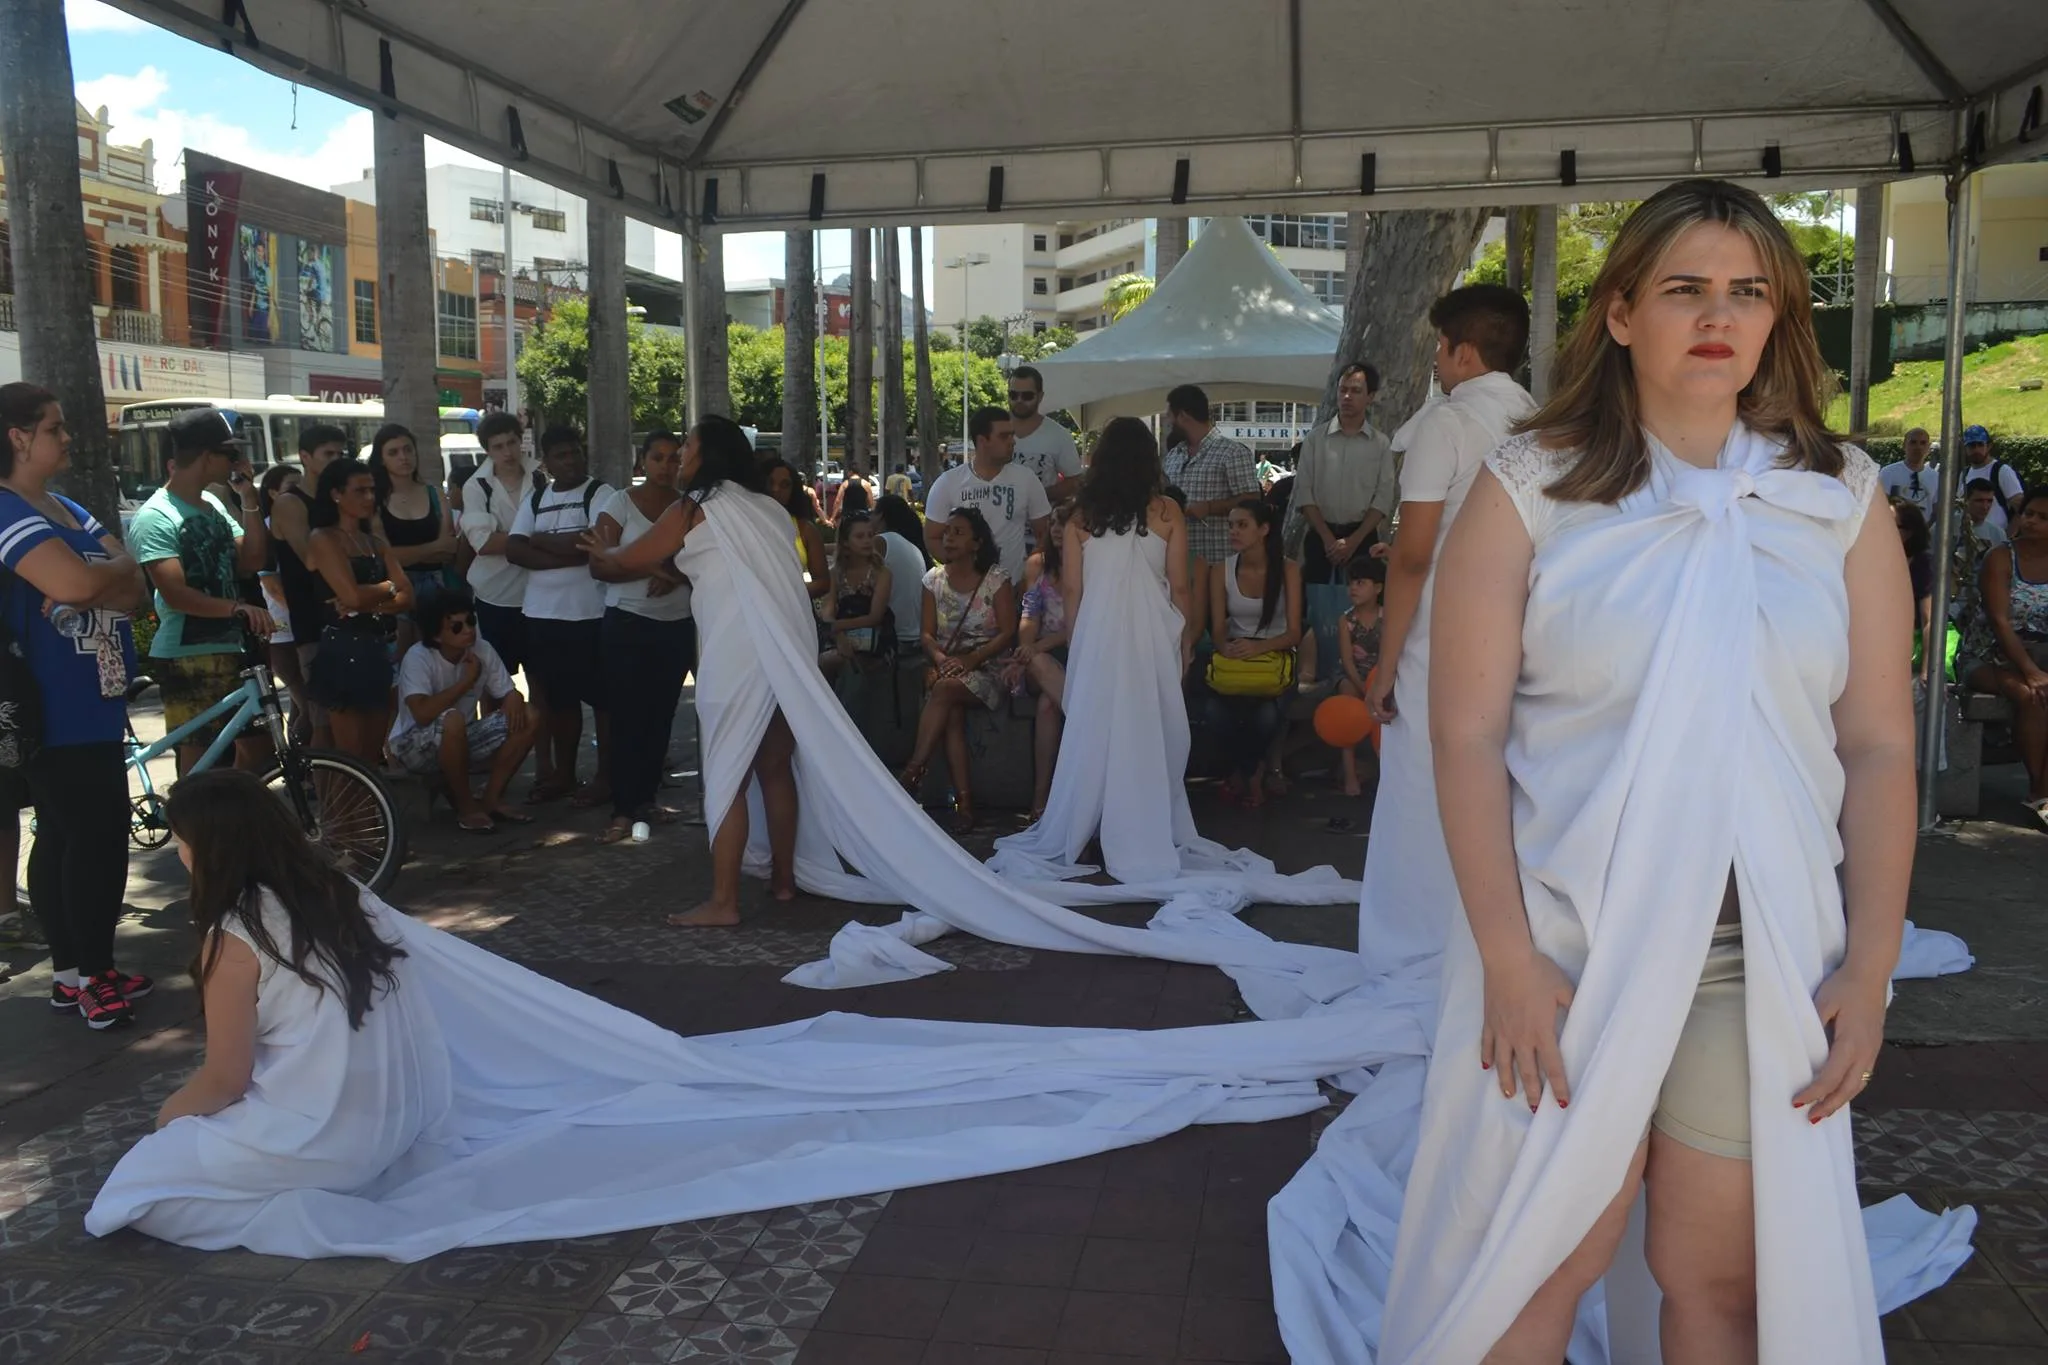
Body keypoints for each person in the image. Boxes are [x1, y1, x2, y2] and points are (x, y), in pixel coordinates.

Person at [1379, 177, 1911, 1364]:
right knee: (1539, 1263)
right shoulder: (1530, 492)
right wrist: (1507, 961)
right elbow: (1459, 737)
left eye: (1746, 292)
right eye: (1683, 289)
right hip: (1568, 952)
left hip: (1752, 960)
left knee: (1716, 1276)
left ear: (1776, 318)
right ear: (1618, 312)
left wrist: (1869, 966)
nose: (1716, 316)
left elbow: (1876, 744)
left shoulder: (1837, 500)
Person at [1361, 283, 1535, 975]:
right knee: (1500, 785)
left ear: (1464, 352)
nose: (1435, 360)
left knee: (1418, 783)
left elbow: (1411, 554)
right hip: (1522, 627)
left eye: (1439, 346)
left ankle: (1413, 945)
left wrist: (1386, 658)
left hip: (1444, 628)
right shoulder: (1541, 422)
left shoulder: (1449, 422)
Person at [584, 418, 801, 926]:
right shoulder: (769, 507)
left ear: (709, 455)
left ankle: (724, 902)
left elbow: (629, 559)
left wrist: (602, 553)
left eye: (689, 447)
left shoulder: (695, 507)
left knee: (727, 772)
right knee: (775, 764)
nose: (680, 455)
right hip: (784, 644)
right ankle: (785, 882)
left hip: (733, 649)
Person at [0, 383, 152, 1029]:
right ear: (17, 437)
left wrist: (108, 575)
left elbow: (137, 589)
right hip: (47, 707)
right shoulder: (8, 512)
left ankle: (73, 974)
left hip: (95, 698)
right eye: (55, 429)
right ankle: (94, 974)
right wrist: (104, 576)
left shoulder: (62, 506)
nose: (68, 438)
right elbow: (81, 581)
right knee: (96, 837)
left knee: (65, 835)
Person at [128, 407, 276, 775]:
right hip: (187, 655)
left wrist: (249, 499)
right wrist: (236, 608)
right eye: (231, 454)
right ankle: (190, 830)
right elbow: (176, 594)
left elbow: (252, 559)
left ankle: (229, 822)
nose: (238, 461)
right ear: (209, 456)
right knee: (198, 762)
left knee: (258, 749)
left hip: (233, 647)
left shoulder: (211, 504)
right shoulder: (156, 515)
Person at [589, 432, 695, 844]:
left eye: (674, 458)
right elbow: (599, 565)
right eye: (658, 457)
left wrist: (675, 578)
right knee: (627, 718)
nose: (666, 466)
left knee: (661, 716)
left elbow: (701, 563)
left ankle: (647, 800)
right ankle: (622, 808)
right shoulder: (618, 503)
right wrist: (656, 570)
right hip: (628, 622)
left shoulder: (690, 508)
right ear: (642, 462)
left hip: (677, 624)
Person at [506, 427, 612, 807]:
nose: (571, 461)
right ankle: (564, 776)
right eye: (562, 455)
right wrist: (568, 551)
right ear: (546, 462)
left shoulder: (600, 493)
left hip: (591, 615)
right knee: (559, 702)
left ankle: (605, 777)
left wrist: (540, 541)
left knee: (603, 701)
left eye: (575, 453)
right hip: (542, 616)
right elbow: (514, 549)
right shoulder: (535, 499)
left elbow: (594, 542)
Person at [901, 507, 1017, 834]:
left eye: (958, 532)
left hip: (988, 665)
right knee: (950, 710)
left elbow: (1008, 632)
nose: (948, 537)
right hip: (947, 664)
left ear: (976, 543)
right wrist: (940, 660)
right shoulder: (933, 581)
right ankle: (964, 806)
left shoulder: (996, 580)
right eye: (947, 531)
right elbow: (926, 634)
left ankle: (911, 772)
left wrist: (972, 659)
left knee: (944, 690)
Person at [389, 585, 538, 831]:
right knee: (453, 719)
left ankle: (491, 798)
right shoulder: (418, 657)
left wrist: (514, 696)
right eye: (456, 627)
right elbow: (422, 714)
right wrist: (467, 681)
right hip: (412, 746)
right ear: (436, 635)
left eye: (470, 621)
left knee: (530, 715)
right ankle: (466, 807)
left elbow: (508, 692)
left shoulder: (482, 648)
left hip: (461, 735)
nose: (468, 630)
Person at [459, 413, 548, 786]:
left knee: (543, 685)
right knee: (494, 689)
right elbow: (483, 544)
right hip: (494, 597)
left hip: (539, 595)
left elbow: (551, 527)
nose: (508, 452)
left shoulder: (541, 475)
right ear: (487, 450)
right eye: (498, 446)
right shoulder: (476, 485)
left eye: (512, 442)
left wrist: (512, 539)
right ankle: (497, 770)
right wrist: (532, 541)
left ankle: (547, 770)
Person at [304, 459, 411, 767]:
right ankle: (344, 816)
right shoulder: (322, 537)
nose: (369, 497)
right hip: (341, 649)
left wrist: (372, 598)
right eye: (360, 490)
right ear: (336, 494)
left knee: (370, 754)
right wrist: (388, 587)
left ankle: (367, 817)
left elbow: (408, 596)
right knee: (349, 757)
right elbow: (352, 594)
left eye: (372, 490)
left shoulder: (373, 541)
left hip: (377, 648)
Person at [1197, 499, 1303, 808]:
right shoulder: (1221, 570)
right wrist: (1225, 647)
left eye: (1242, 525)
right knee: (1215, 714)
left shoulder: (1289, 570)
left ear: (1264, 529)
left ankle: (1250, 773)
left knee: (1266, 716)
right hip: (1235, 656)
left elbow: (1294, 632)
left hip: (1275, 656)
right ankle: (1245, 771)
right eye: (1231, 525)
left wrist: (1258, 647)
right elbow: (1216, 627)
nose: (1234, 531)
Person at [1958, 486, 2048, 823]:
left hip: (2042, 654)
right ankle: (2040, 790)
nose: (2032, 521)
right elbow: (1998, 621)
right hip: (1989, 656)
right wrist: (2031, 671)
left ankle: (2041, 789)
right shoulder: (2000, 557)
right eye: (2029, 513)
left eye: (2043, 517)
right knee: (2030, 695)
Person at [269, 422, 350, 748]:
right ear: (305, 456)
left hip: (347, 616)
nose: (335, 460)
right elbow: (312, 559)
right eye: (327, 453)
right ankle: (326, 795)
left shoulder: (338, 499)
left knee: (351, 718)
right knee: (323, 721)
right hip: (312, 621)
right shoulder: (290, 502)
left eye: (340, 453)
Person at [921, 407, 1051, 584]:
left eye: (1012, 435)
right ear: (983, 441)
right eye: (1004, 436)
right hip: (965, 593)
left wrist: (1028, 575)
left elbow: (1045, 534)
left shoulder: (1026, 479)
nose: (1012, 442)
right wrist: (960, 569)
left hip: (1013, 588)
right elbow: (932, 537)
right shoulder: (948, 483)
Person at [1293, 361, 1397, 582]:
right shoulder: (1315, 440)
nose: (1347, 397)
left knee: (1361, 606)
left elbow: (1383, 498)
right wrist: (1329, 539)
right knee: (1317, 606)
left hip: (1363, 539)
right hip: (1321, 537)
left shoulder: (1380, 444)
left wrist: (1353, 541)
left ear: (1370, 397)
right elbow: (1304, 493)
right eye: (1343, 390)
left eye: (1356, 391)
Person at [1010, 512, 1073, 821]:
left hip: (1076, 653)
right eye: (1055, 523)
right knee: (1035, 663)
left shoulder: (1090, 566)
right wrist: (1026, 646)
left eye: (1067, 522)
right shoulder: (1038, 564)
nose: (1059, 529)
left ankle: (1041, 798)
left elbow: (1079, 626)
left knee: (1048, 705)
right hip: (1040, 654)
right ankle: (1085, 722)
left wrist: (1034, 648)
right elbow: (1029, 614)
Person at [1160, 383, 1261, 574]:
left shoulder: (1232, 452)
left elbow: (1252, 501)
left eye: (1170, 416)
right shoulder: (1174, 455)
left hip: (1219, 564)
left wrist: (1209, 508)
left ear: (1183, 416)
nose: (1168, 421)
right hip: (1179, 565)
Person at [370, 423, 461, 621]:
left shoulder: (435, 494)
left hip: (437, 589)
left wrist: (405, 554)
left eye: (408, 449)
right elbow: (383, 556)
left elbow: (448, 551)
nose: (403, 457)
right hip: (394, 591)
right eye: (393, 452)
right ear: (382, 459)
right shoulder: (373, 501)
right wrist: (433, 547)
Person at [253, 464, 306, 741]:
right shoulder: (266, 532)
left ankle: (303, 773)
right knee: (309, 707)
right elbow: (272, 586)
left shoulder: (305, 524)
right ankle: (301, 773)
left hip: (304, 630)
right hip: (282, 634)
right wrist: (308, 611)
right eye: (291, 487)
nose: (299, 493)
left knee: (301, 706)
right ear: (273, 493)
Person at [819, 508, 894, 680]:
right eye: (860, 537)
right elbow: (827, 611)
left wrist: (836, 627)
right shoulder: (835, 573)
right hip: (842, 635)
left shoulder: (881, 573)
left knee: (827, 663)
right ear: (845, 542)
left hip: (875, 638)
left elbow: (875, 617)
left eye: (870, 535)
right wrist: (838, 636)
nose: (867, 541)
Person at [1332, 559, 1384, 798]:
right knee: (1346, 704)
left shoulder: (1389, 617)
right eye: (1351, 583)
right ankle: (1350, 773)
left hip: (1382, 675)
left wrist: (1376, 685)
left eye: (1361, 583)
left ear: (1378, 588)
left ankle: (1384, 772)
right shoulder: (1346, 620)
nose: (1353, 588)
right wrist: (1363, 687)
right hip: (1354, 676)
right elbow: (1347, 660)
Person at [1005, 365, 1082, 503]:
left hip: (1040, 522)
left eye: (1027, 396)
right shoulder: (992, 429)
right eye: (1013, 395)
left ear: (1040, 396)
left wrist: (1039, 496)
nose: (1019, 400)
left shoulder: (1059, 436)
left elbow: (1075, 480)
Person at [762, 457, 830, 603]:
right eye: (770, 482)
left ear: (793, 490)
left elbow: (823, 583)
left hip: (794, 611)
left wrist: (785, 595)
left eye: (785, 485)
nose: (776, 489)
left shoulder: (805, 529)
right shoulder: (744, 524)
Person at [875, 493, 933, 656]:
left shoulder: (880, 541)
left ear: (880, 516)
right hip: (916, 635)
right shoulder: (913, 547)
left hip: (892, 637)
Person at [1958, 424, 2024, 531]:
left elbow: (2021, 509)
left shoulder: (2001, 471)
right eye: (1971, 446)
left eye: (1980, 445)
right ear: (1965, 448)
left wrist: (2007, 539)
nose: (1976, 450)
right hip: (1971, 541)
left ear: (1988, 446)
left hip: (1997, 541)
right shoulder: (1964, 474)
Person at [1878, 426, 1939, 519]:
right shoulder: (1888, 473)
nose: (1918, 447)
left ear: (1928, 447)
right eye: (1913, 442)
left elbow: (1936, 511)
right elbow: (1880, 506)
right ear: (1904, 445)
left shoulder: (1935, 477)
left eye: (1923, 443)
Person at [1897, 501, 1935, 633]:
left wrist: (1926, 653)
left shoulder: (1923, 564)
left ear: (1909, 532)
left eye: (1892, 526)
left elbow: (1928, 620)